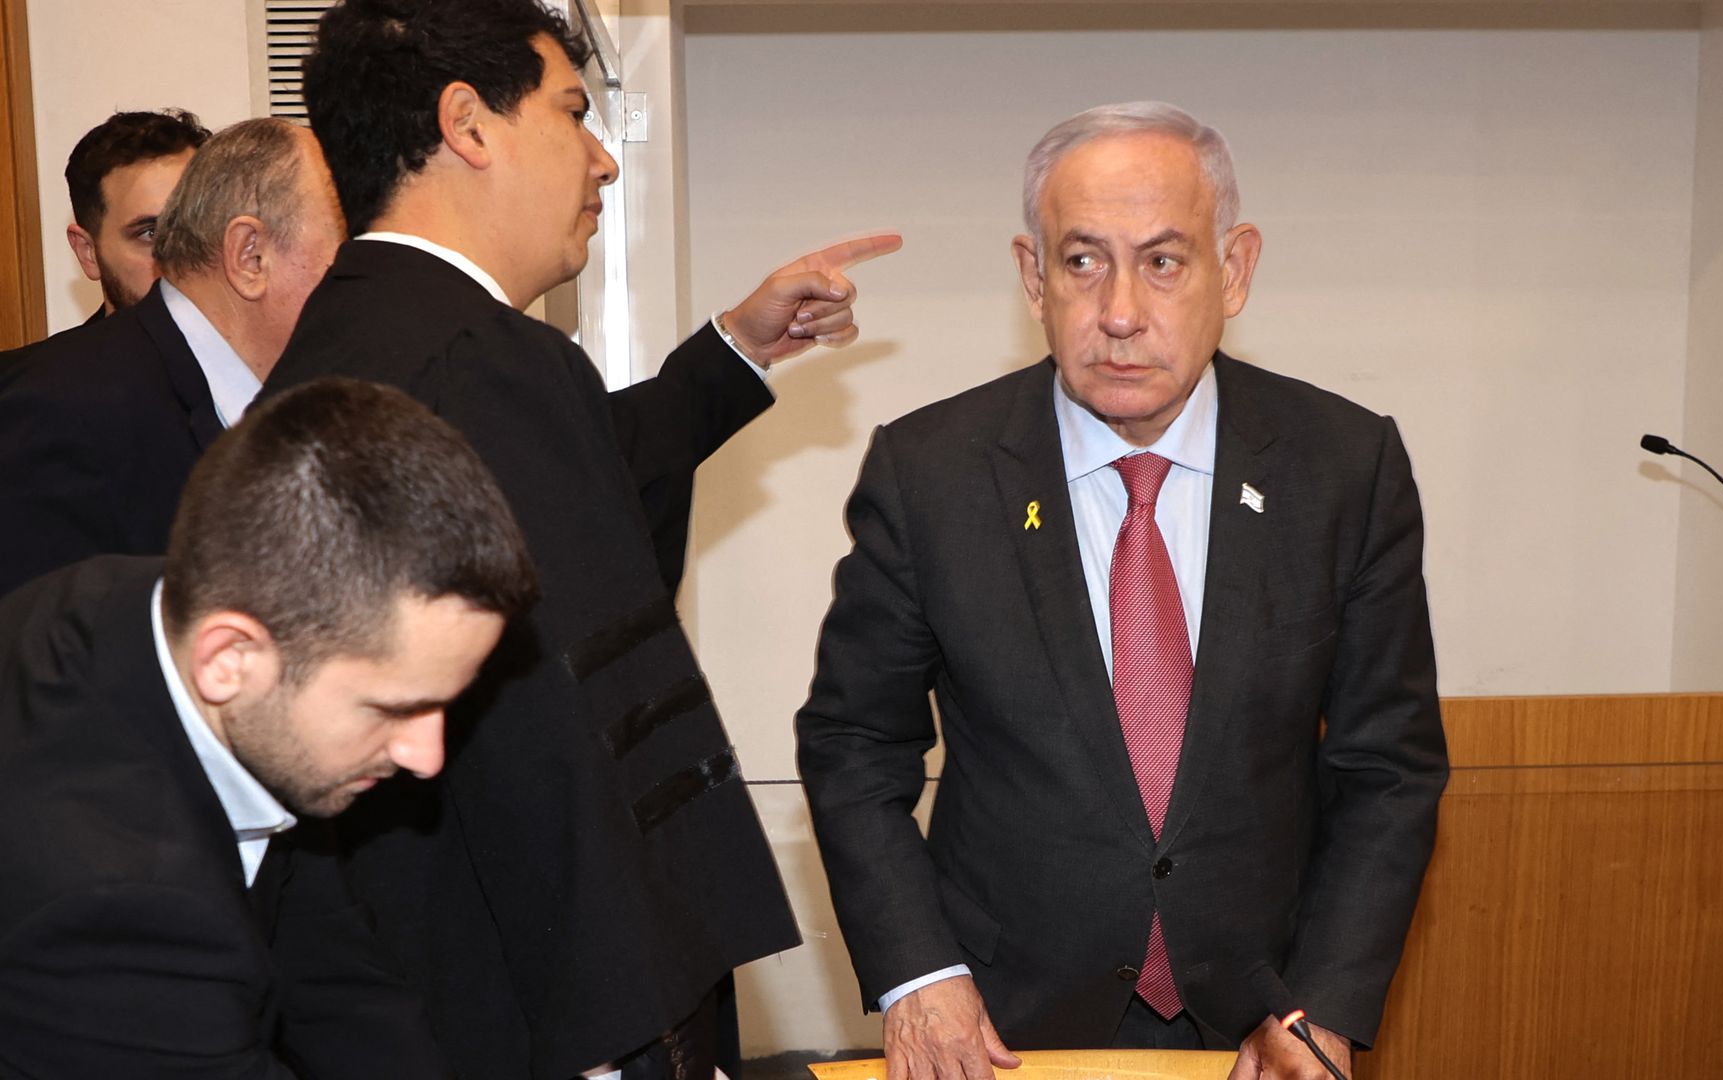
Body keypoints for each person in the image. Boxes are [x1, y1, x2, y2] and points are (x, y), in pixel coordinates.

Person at [262, 2, 900, 1077]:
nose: (602, 159)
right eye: (570, 111)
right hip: (538, 1012)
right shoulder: (492, 362)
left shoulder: (343, 343)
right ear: (467, 124)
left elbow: (591, 470)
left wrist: (735, 349)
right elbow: (562, 733)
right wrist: (626, 1041)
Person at [797, 102, 1449, 1080]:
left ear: (1233, 271)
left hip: (1264, 1025)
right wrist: (918, 973)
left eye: (1165, 260)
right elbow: (854, 745)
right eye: (1083, 261)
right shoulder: (930, 474)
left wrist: (1328, 1003)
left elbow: (1389, 770)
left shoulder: (1344, 468)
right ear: (1033, 276)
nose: (1120, 312)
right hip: (997, 1028)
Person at [0, 377, 540, 1075]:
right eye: (395, 707)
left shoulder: (154, 605)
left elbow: (325, 963)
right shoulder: (120, 911)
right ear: (230, 659)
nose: (426, 756)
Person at [0, 117, 348, 597]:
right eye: (339, 249)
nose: (350, 275)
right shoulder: (52, 407)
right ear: (249, 256)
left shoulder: (317, 384)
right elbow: (39, 648)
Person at [62, 108, 210, 320]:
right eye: (151, 233)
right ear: (89, 253)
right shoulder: (60, 355)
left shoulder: (264, 351)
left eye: (200, 226)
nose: (184, 256)